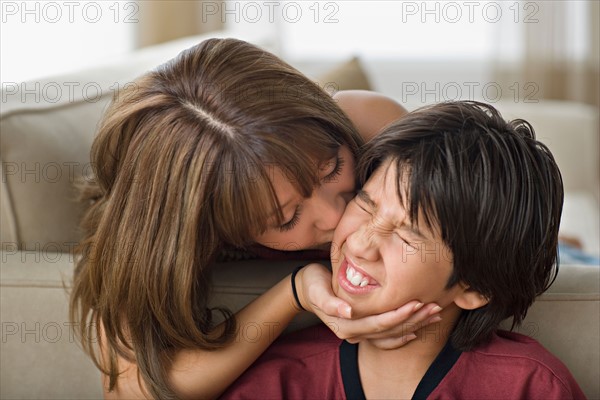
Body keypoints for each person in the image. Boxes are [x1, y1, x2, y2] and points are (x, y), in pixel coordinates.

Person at [69, 38, 442, 399]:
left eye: (331, 168)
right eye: (286, 218)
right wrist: (294, 293)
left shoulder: (370, 124)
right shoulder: (154, 235)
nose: (334, 214)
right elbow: (135, 390)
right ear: (215, 229)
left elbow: (471, 222)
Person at [221, 101, 586, 399]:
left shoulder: (532, 386)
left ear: (474, 288)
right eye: (364, 203)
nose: (360, 244)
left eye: (408, 235)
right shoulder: (276, 382)